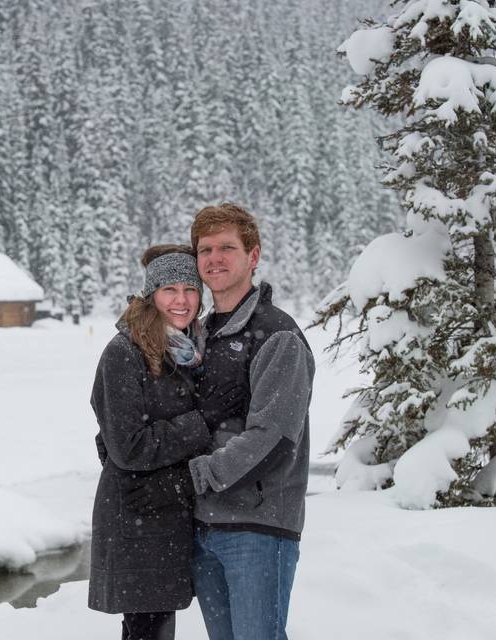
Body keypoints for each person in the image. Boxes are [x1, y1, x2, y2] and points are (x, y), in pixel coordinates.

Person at [89, 244, 244, 640]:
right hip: (137, 519)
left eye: (190, 289)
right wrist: (201, 421)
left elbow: (113, 440)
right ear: (151, 295)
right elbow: (128, 446)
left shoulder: (188, 349)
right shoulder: (124, 353)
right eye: (169, 290)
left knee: (154, 629)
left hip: (168, 514)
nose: (181, 300)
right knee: (149, 631)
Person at [188, 203, 315, 640]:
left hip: (259, 529)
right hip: (204, 527)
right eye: (205, 249)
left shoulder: (277, 335)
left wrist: (201, 473)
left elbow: (273, 436)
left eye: (227, 247)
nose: (215, 258)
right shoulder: (199, 335)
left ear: (253, 255)